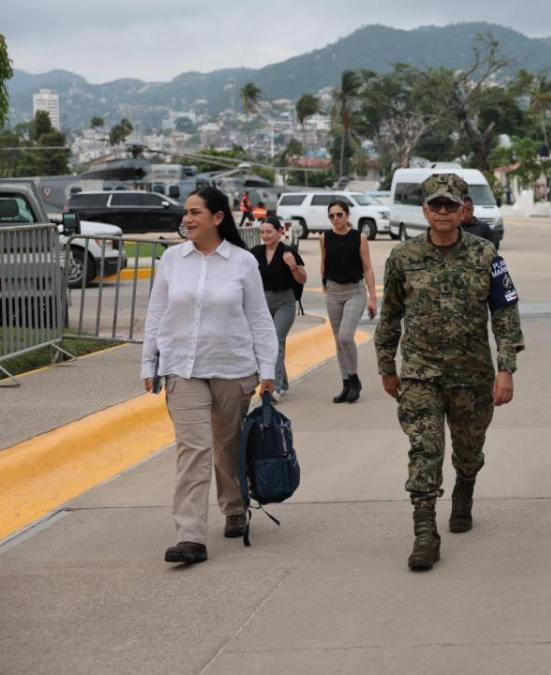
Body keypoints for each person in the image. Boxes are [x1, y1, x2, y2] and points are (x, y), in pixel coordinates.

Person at [376, 174, 524, 571]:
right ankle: (425, 532)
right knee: (425, 450)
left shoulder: (486, 255)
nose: (442, 212)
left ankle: (465, 488)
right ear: (425, 210)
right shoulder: (403, 258)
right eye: (435, 205)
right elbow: (389, 316)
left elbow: (505, 315)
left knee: (468, 449)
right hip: (421, 373)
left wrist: (505, 369)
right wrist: (386, 367)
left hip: (472, 375)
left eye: (450, 205)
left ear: (463, 210)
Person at [141, 187, 277, 565]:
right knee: (193, 449)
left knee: (226, 445)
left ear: (218, 218)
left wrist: (268, 370)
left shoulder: (242, 262)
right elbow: (157, 314)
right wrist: (148, 363)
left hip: (232, 368)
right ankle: (190, 535)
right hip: (182, 368)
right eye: (186, 212)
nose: (187, 219)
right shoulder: (172, 259)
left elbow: (259, 319)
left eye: (195, 212)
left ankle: (234, 507)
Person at [320, 198, 377, 404]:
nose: (335, 219)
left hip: (355, 291)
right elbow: (324, 262)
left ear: (347, 215)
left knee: (345, 336)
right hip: (333, 291)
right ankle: (346, 385)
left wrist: (373, 298)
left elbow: (368, 267)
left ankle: (354, 380)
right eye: (332, 216)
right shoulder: (324, 238)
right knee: (338, 341)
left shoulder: (359, 238)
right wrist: (324, 284)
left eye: (339, 215)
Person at [251, 216, 307, 400]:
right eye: (263, 232)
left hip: (285, 301)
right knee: (269, 342)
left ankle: (273, 386)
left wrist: (292, 266)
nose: (265, 235)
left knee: (276, 340)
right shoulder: (256, 253)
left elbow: (302, 279)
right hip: (263, 302)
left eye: (269, 231)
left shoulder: (288, 252)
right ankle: (283, 382)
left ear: (279, 232)